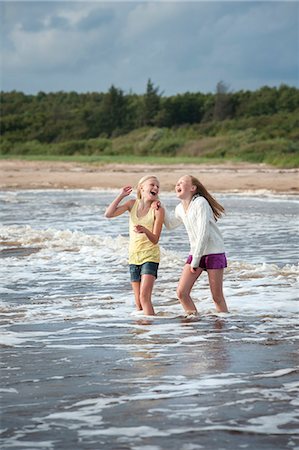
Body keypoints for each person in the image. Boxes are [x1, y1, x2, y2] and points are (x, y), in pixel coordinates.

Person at [164, 175, 228, 316]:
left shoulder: (200, 202)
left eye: (182, 182)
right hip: (196, 253)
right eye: (177, 183)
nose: (177, 185)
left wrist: (196, 260)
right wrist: (159, 206)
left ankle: (223, 327)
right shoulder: (180, 208)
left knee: (217, 297)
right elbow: (170, 224)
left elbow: (203, 233)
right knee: (182, 292)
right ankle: (193, 322)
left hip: (213, 252)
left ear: (193, 188)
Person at [104, 175, 165, 316]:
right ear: (142, 187)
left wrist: (144, 230)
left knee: (145, 297)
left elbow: (155, 239)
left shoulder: (158, 209)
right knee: (138, 303)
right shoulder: (132, 204)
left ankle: (152, 332)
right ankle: (142, 332)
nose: (155, 188)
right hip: (133, 256)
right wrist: (121, 195)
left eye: (157, 186)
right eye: (152, 185)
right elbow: (108, 214)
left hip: (150, 256)